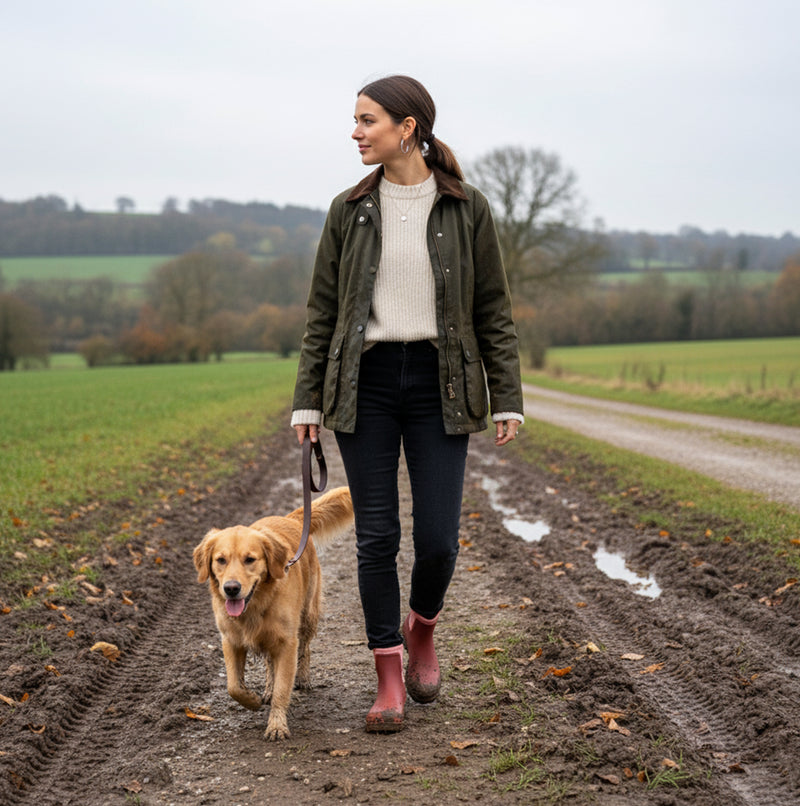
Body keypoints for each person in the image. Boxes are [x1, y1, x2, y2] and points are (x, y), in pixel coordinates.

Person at [291, 74, 523, 733]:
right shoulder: (348, 210)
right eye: (356, 120)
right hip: (363, 383)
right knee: (376, 536)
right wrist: (308, 404)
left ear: (408, 127)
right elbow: (322, 316)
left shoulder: (466, 207)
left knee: (439, 541)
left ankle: (422, 628)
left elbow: (493, 313)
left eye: (368, 120)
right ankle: (388, 678)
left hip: (440, 381)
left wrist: (507, 396)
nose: (356, 132)